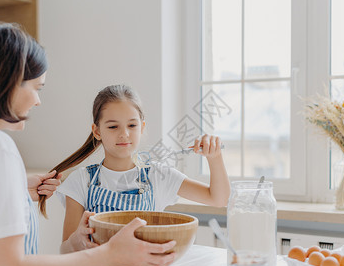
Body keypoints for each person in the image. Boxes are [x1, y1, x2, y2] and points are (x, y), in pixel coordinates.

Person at [0, 23, 175, 266]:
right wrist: (110, 255)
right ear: (8, 82)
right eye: (37, 88)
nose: (38, 101)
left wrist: (15, 188)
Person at [49, 84, 231, 253]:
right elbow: (65, 250)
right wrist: (77, 242)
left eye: (132, 125)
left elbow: (219, 199)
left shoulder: (158, 175)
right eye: (113, 126)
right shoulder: (81, 180)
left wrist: (214, 157)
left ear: (142, 127)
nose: (124, 134)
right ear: (97, 131)